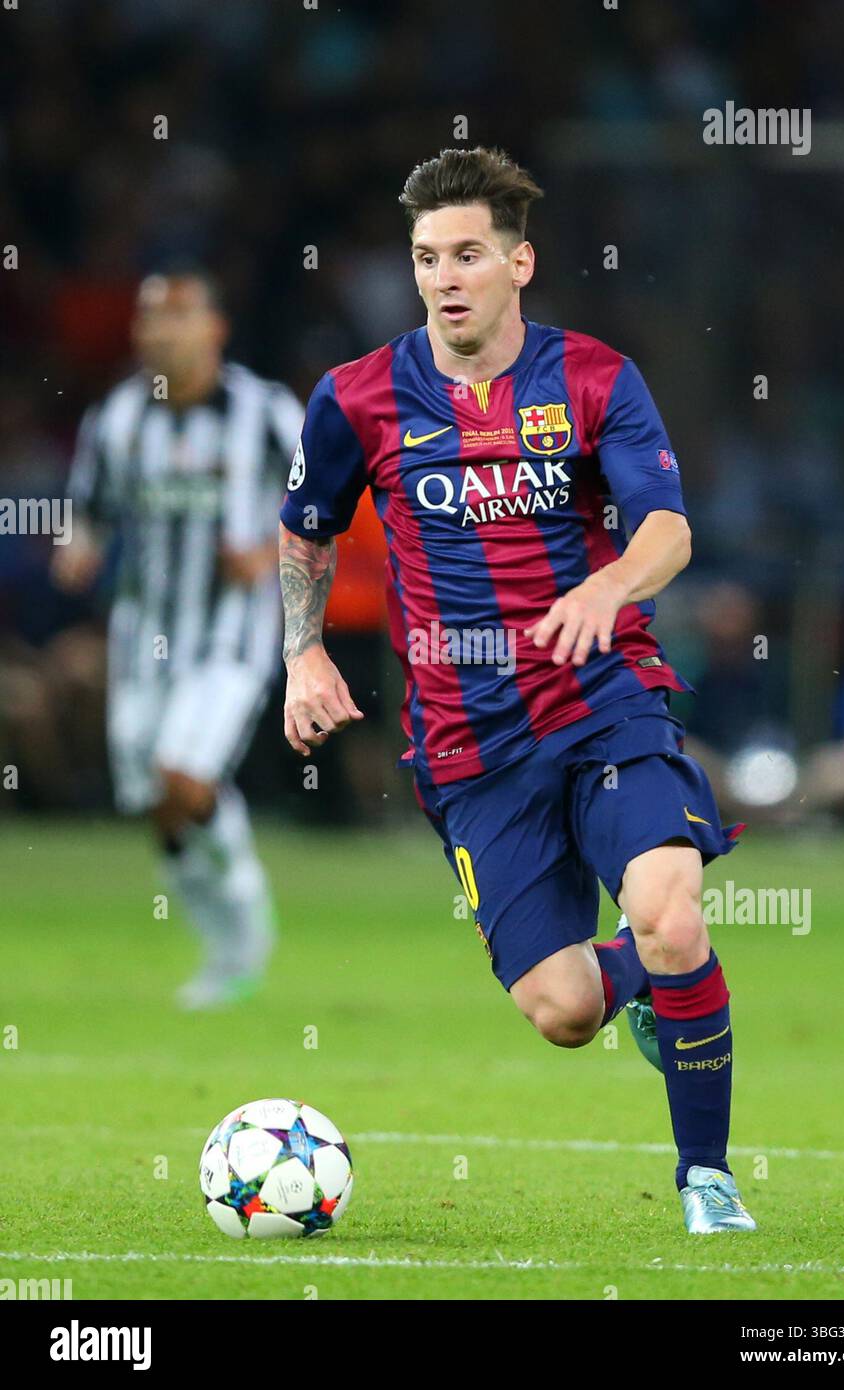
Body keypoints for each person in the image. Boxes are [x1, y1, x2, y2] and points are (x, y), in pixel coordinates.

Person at [278, 148, 755, 1234]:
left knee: (670, 913)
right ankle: (643, 985)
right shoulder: (355, 398)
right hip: (468, 748)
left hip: (603, 704)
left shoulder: (592, 378)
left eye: (468, 255)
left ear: (519, 262)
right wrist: (303, 652)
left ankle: (707, 1179)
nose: (445, 278)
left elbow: (669, 530)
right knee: (565, 1011)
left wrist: (609, 583)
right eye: (425, 259)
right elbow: (304, 528)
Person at [53, 270, 303, 1009]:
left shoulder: (263, 411)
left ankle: (246, 920)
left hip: (231, 633)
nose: (162, 331)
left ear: (214, 329)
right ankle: (220, 945)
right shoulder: (119, 419)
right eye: (150, 319)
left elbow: (330, 494)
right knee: (157, 802)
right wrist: (77, 549)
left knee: (186, 776)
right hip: (143, 640)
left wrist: (266, 554)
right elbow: (88, 513)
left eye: (179, 316)